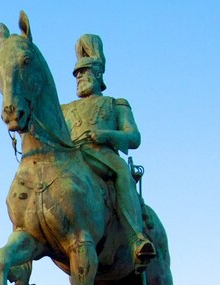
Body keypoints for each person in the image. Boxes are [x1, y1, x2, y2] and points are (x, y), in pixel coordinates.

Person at [61, 34, 156, 268]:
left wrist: (107, 135)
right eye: (77, 74)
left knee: (122, 173)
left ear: (98, 74)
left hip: (102, 155)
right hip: (72, 158)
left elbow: (133, 137)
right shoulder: (64, 109)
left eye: (84, 73)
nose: (80, 77)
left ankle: (136, 238)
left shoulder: (116, 104)